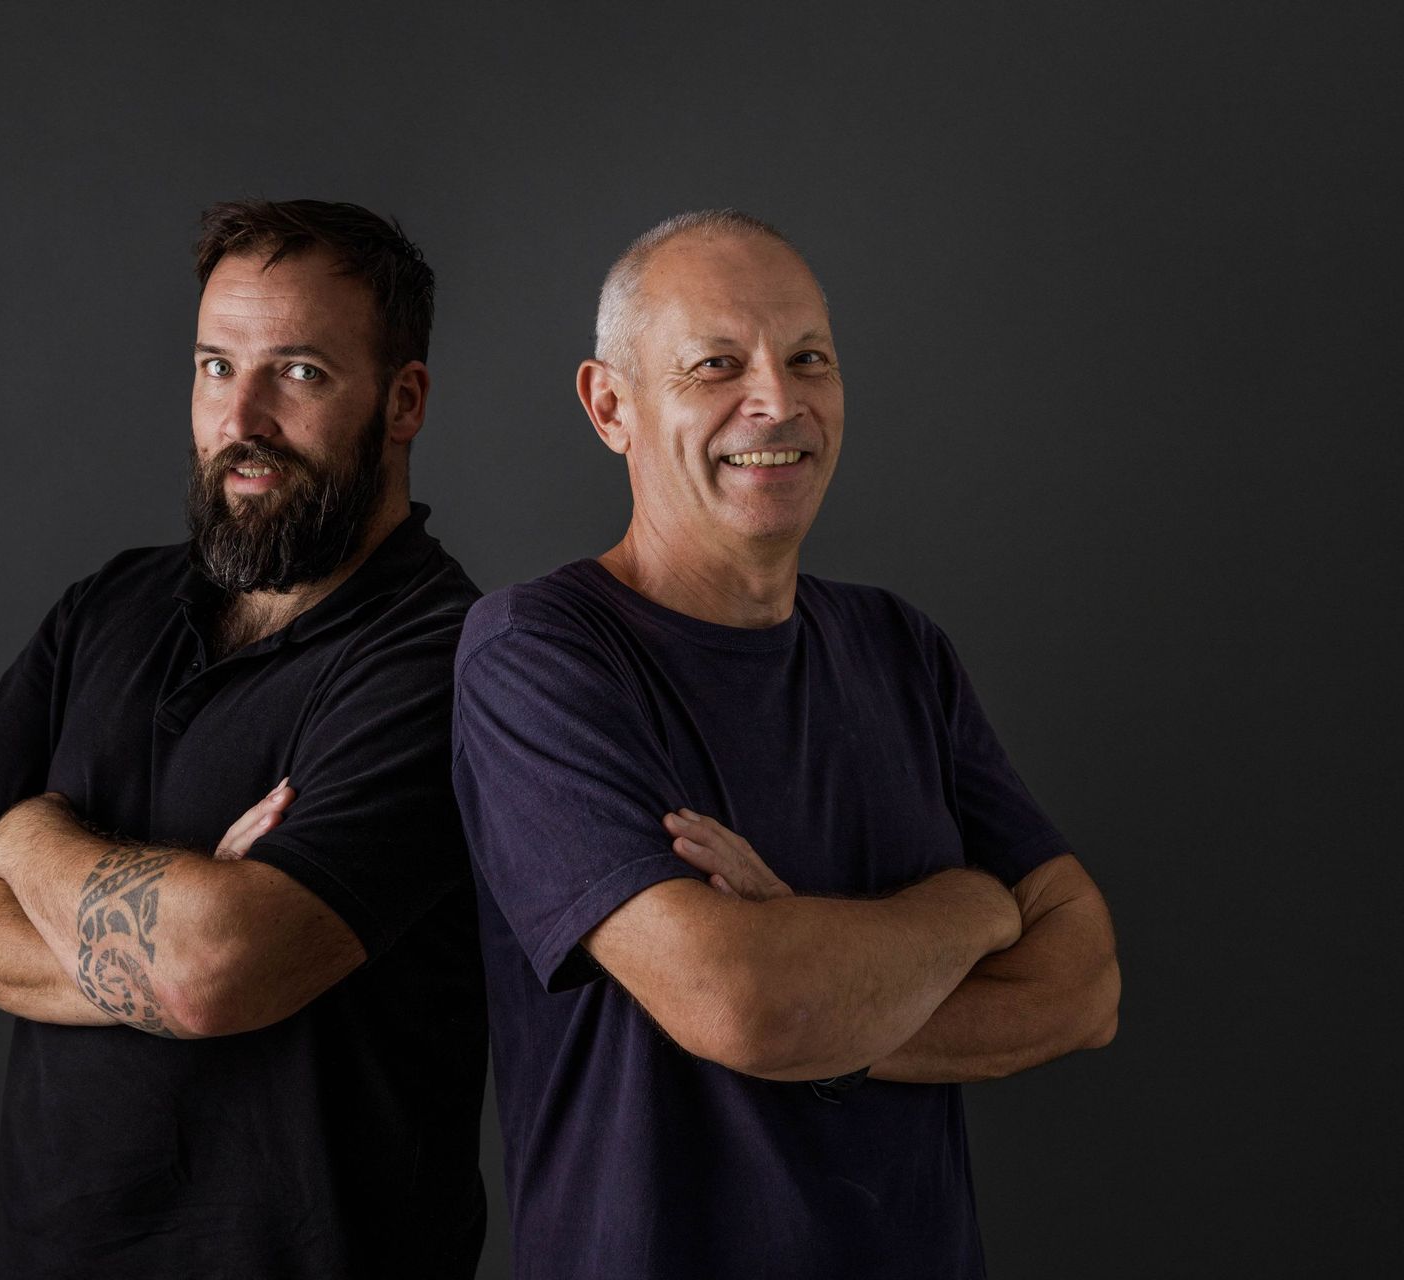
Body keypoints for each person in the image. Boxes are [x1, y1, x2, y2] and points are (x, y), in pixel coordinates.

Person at [452, 210, 1120, 1279]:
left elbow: (1086, 987)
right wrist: (972, 907)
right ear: (609, 404)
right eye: (717, 364)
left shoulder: (901, 649)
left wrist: (826, 1006)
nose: (779, 399)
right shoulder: (537, 655)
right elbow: (742, 1002)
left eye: (809, 356)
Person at [0, 199, 486, 1278]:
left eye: (298, 372)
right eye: (217, 365)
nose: (242, 415)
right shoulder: (109, 605)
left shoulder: (454, 661)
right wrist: (155, 952)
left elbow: (212, 968)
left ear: (404, 401)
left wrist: (26, 837)